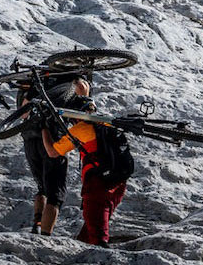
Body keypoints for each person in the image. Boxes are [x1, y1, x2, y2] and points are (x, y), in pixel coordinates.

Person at [42, 80, 130, 247]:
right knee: (91, 229)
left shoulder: (80, 128)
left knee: (98, 234)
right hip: (118, 182)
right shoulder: (106, 122)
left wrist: (44, 129)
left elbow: (53, 152)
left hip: (98, 184)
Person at [16, 78, 70, 235]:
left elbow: (22, 114)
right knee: (55, 196)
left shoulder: (25, 92)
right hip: (51, 140)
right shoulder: (64, 86)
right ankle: (45, 236)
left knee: (42, 188)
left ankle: (37, 224)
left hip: (29, 141)